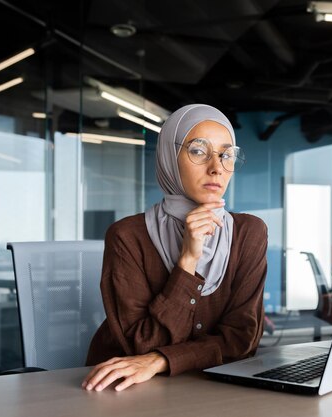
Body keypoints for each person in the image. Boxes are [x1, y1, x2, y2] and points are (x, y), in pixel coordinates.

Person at [82, 104, 268, 392]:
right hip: (123, 389)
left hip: (207, 390)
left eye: (226, 154)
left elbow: (241, 342)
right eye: (198, 150)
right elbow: (141, 345)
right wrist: (188, 258)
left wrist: (159, 361)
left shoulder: (249, 233)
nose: (216, 167)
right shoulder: (127, 236)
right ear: (170, 156)